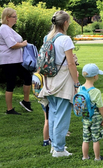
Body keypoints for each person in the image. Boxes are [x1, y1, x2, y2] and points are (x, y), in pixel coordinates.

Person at [38, 10, 79, 157]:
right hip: (62, 79)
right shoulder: (65, 39)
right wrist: (76, 82)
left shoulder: (47, 38)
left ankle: (55, 146)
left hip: (50, 79)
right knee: (62, 115)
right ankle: (59, 149)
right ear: (66, 23)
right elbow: (70, 64)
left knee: (54, 113)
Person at [0, 8, 33, 115]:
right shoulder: (4, 29)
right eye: (14, 16)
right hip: (8, 61)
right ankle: (9, 110)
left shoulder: (9, 28)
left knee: (28, 77)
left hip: (16, 60)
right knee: (11, 83)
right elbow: (12, 45)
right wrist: (23, 44)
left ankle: (26, 102)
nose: (16, 18)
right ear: (7, 18)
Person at [81, 63, 103, 161]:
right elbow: (100, 107)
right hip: (95, 117)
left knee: (85, 138)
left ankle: (85, 156)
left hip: (85, 116)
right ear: (95, 76)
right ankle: (97, 158)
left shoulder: (80, 88)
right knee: (96, 139)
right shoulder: (96, 91)